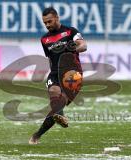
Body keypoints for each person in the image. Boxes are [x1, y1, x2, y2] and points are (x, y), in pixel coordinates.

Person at [29, 7, 87, 144]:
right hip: (55, 74)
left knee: (57, 107)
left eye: (49, 21)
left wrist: (73, 48)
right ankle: (59, 115)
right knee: (55, 95)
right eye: (45, 23)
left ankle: (36, 135)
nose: (47, 25)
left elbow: (83, 46)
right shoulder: (44, 39)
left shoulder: (71, 31)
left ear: (56, 17)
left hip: (73, 74)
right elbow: (50, 58)